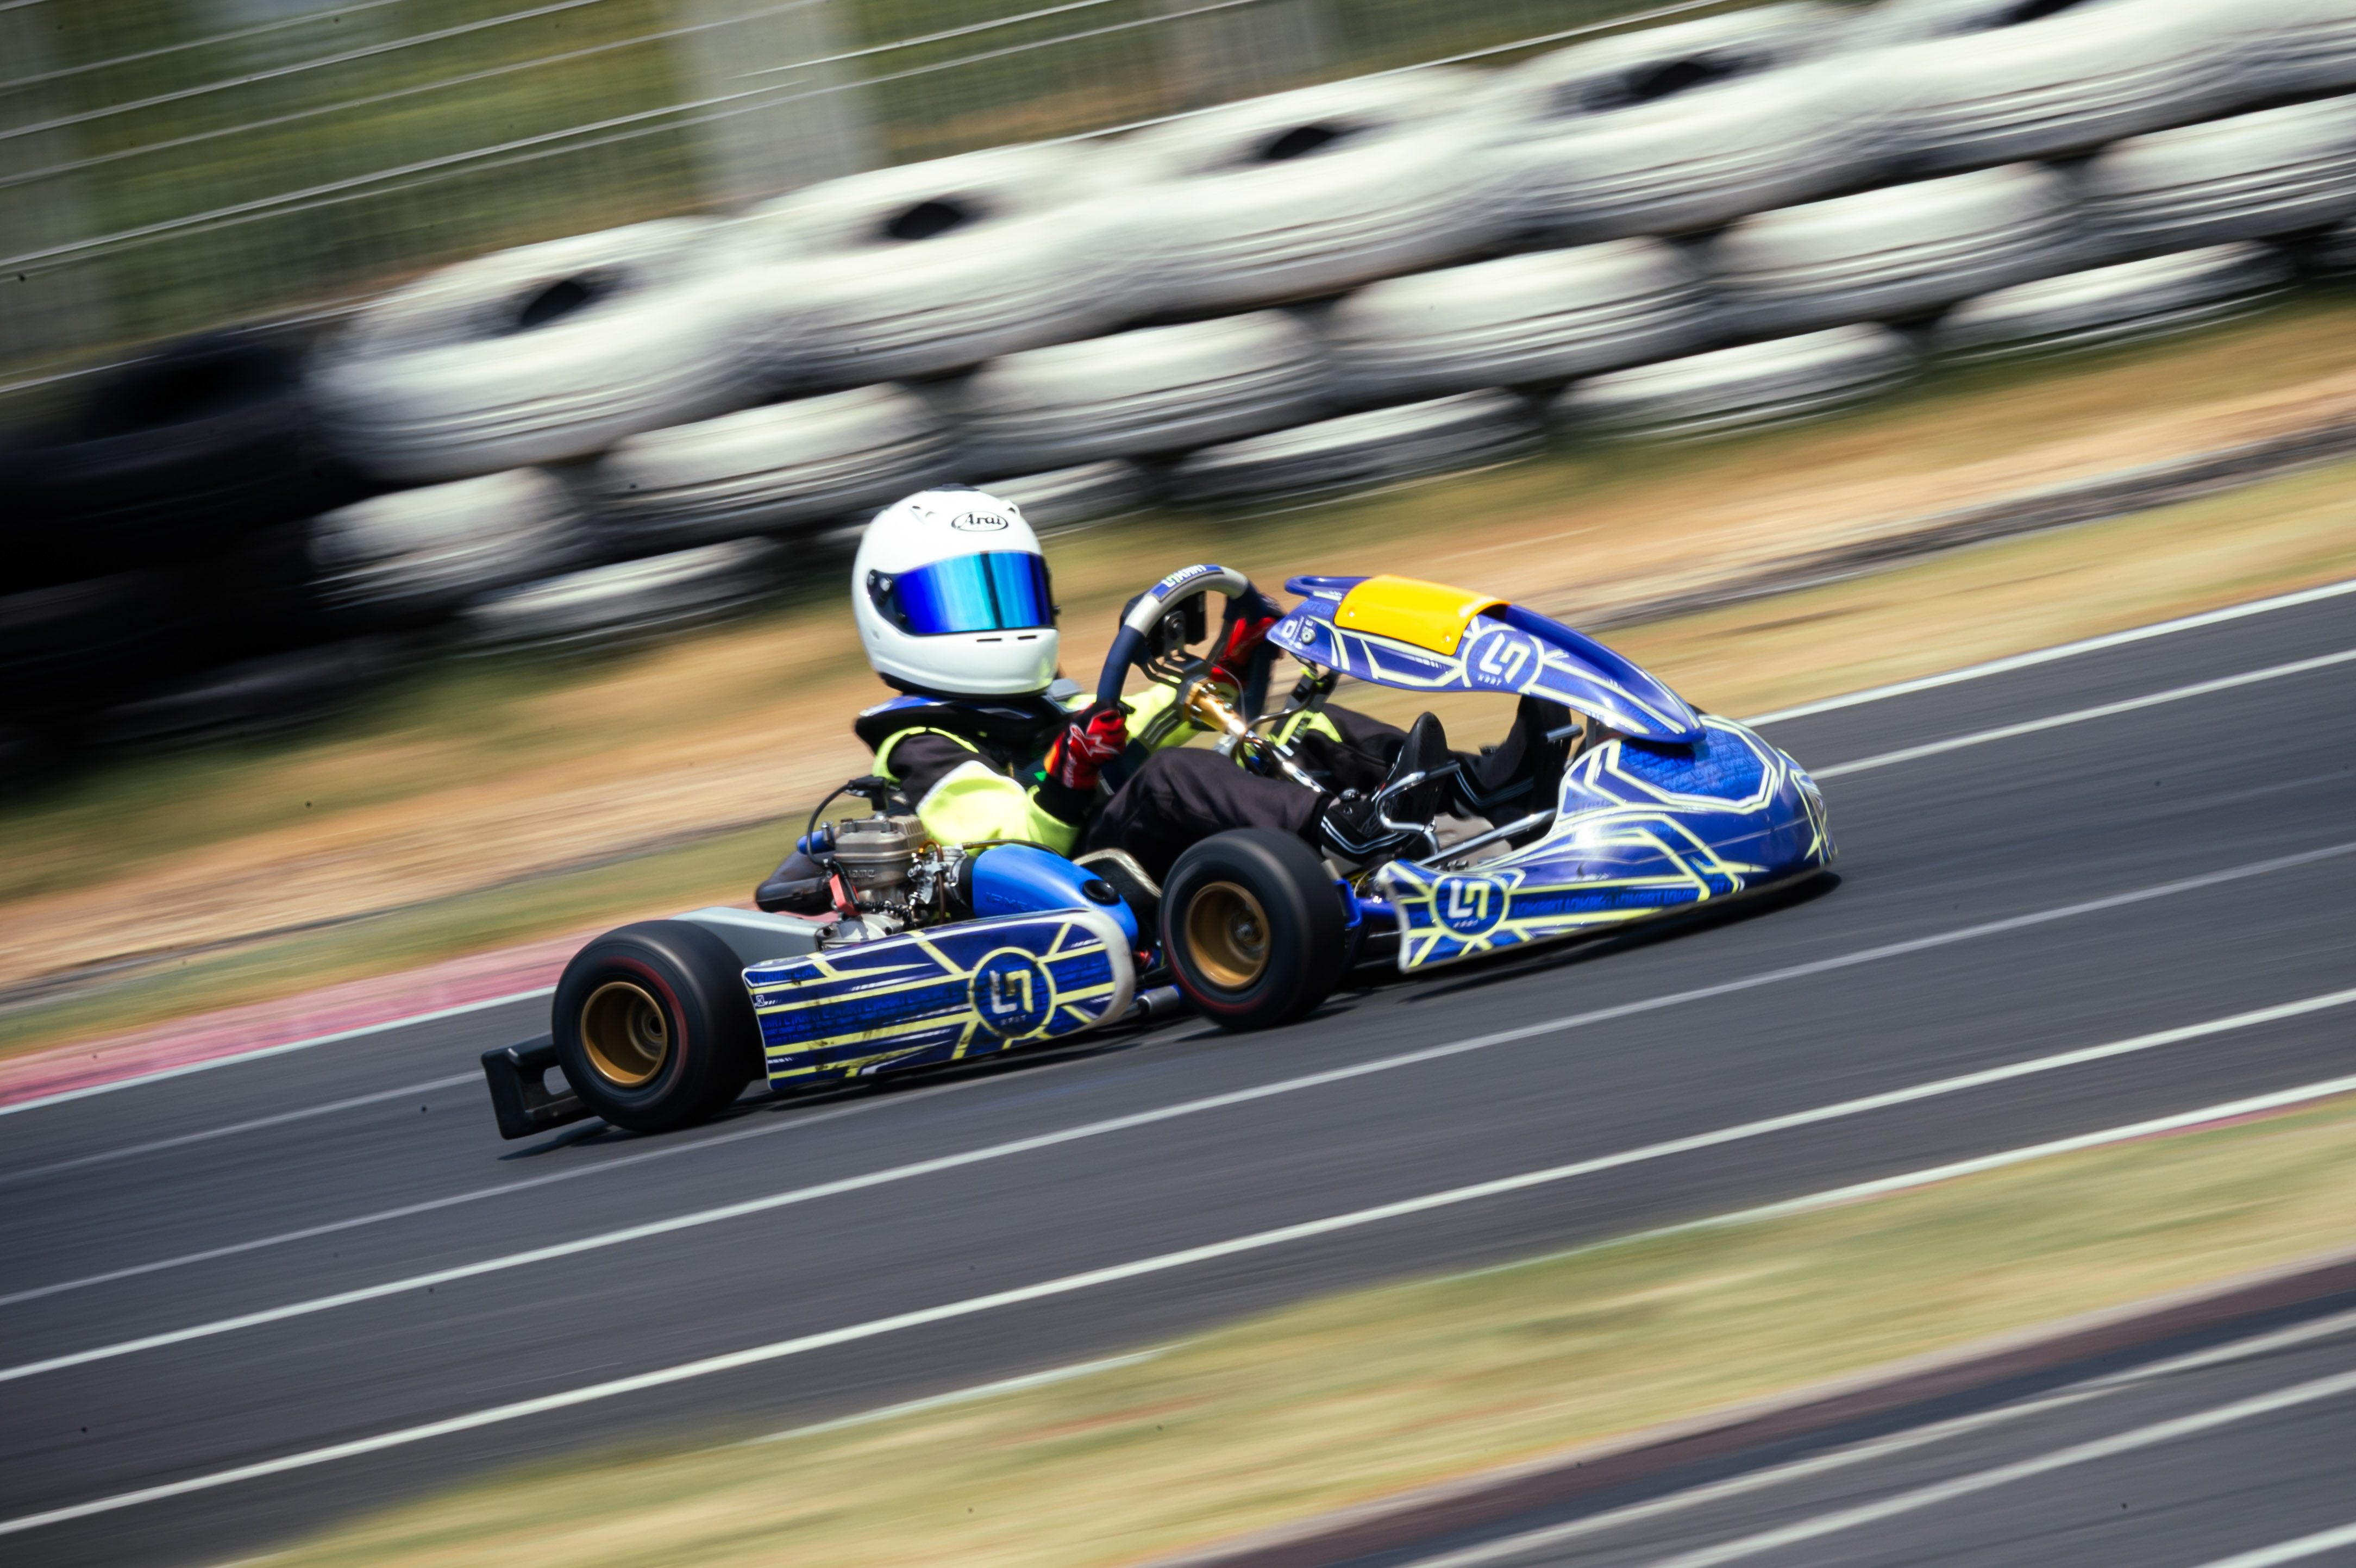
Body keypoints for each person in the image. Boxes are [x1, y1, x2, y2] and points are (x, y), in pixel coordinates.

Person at [756, 485, 1456, 911]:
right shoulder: (918, 747)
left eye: (1010, 593)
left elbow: (1130, 725)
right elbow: (1013, 837)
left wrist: (1219, 671)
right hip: (1055, 893)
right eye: (965, 600)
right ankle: (1343, 832)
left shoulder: (1043, 705)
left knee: (1293, 726)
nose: (995, 619)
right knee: (1171, 781)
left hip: (1116, 858)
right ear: (895, 614)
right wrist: (1068, 774)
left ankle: (1467, 790)